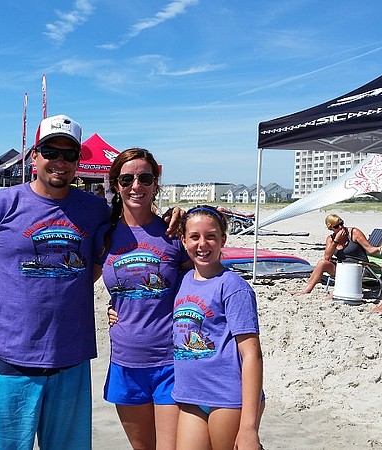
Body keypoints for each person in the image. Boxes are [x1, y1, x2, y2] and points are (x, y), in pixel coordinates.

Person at [0, 114, 110, 449]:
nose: (60, 162)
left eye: (69, 154)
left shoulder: (95, 210)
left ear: (78, 160)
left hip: (72, 361)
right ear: (33, 156)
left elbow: (106, 262)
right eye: (51, 151)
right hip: (12, 361)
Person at [97, 148, 191, 450]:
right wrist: (107, 308)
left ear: (155, 183)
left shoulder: (174, 232)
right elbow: (75, 281)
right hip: (125, 362)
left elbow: (206, 276)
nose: (136, 185)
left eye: (144, 178)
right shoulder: (105, 236)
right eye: (127, 179)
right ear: (115, 185)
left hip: (170, 361)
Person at [172, 206, 264, 450]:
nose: (202, 244)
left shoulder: (234, 287)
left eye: (211, 236)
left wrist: (249, 428)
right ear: (183, 240)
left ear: (223, 239)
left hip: (227, 399)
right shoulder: (181, 282)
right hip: (190, 396)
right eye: (195, 237)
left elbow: (252, 354)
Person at [296, 214, 382, 294]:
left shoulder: (354, 233)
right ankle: (306, 290)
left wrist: (380, 249)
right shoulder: (331, 239)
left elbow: (370, 249)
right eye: (336, 226)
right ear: (330, 228)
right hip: (342, 269)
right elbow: (327, 257)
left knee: (347, 270)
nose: (341, 227)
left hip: (360, 268)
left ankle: (338, 293)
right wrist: (336, 241)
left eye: (341, 223)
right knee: (322, 263)